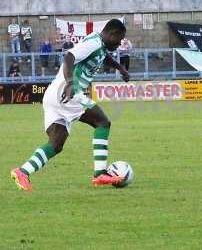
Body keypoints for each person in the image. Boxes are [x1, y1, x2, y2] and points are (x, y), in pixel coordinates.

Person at [11, 19, 130, 191]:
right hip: (68, 91)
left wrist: (120, 68)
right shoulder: (95, 43)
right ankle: (99, 173)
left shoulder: (100, 45)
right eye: (119, 40)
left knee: (56, 144)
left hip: (54, 94)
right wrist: (69, 83)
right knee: (102, 122)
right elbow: (69, 56)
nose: (119, 44)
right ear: (113, 34)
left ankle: (22, 171)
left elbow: (105, 57)